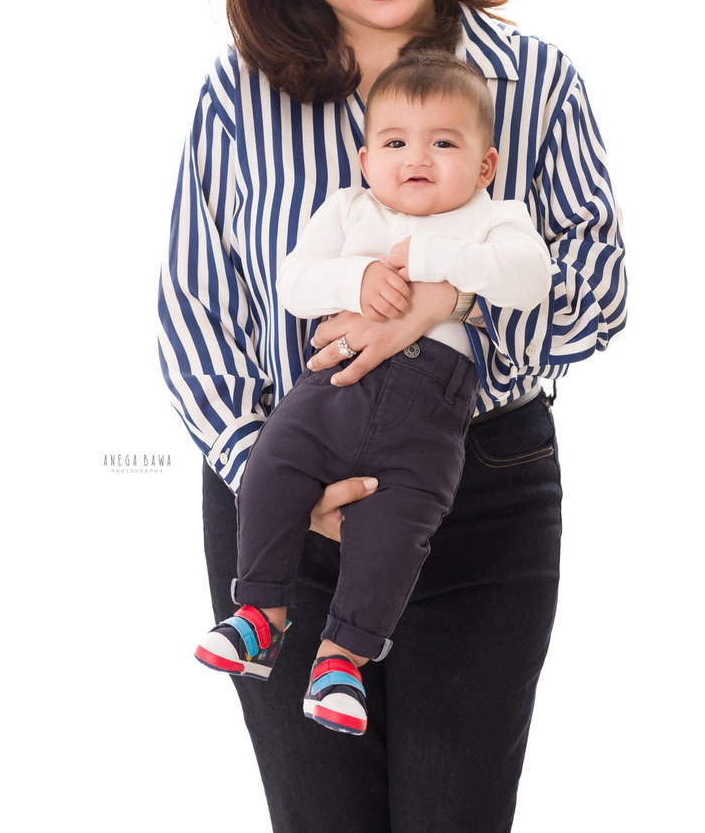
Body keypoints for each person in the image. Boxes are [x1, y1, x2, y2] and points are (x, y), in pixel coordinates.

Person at [157, 0, 627, 833]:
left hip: (481, 487)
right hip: (283, 491)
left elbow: (600, 289)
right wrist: (274, 477)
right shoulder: (240, 96)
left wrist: (450, 300)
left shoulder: (534, 82)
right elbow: (192, 311)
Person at [193, 51, 554, 737]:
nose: (415, 158)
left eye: (442, 143)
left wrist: (438, 268)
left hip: (428, 418)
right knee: (270, 467)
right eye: (393, 143)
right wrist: (355, 280)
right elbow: (294, 283)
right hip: (328, 394)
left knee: (397, 532)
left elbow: (530, 278)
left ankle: (343, 658)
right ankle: (260, 615)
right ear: (365, 160)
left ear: (484, 166)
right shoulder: (350, 211)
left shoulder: (495, 221)